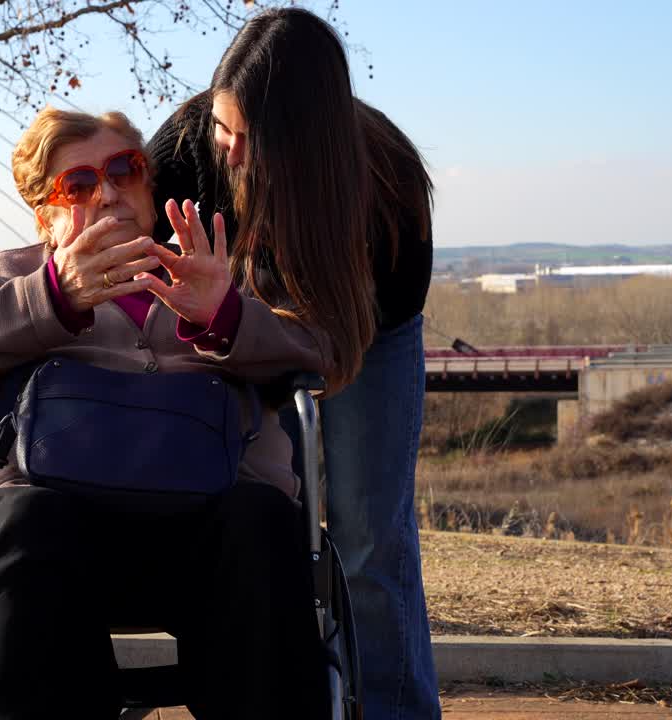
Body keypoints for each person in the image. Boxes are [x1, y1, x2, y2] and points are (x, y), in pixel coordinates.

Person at [0, 107, 337, 720]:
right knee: (25, 518)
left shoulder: (211, 271)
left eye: (126, 169)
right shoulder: (13, 276)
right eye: (78, 184)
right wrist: (53, 296)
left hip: (208, 522)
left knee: (260, 520)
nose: (108, 193)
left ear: (150, 186)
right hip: (50, 521)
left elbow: (322, 355)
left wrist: (225, 316)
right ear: (46, 214)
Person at [148, 8, 440, 719]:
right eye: (223, 127)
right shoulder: (187, 151)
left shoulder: (388, 184)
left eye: (249, 137)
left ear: (303, 142)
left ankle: (394, 709)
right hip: (231, 332)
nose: (228, 149)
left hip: (367, 339)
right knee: (264, 519)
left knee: (369, 537)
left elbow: (351, 349)